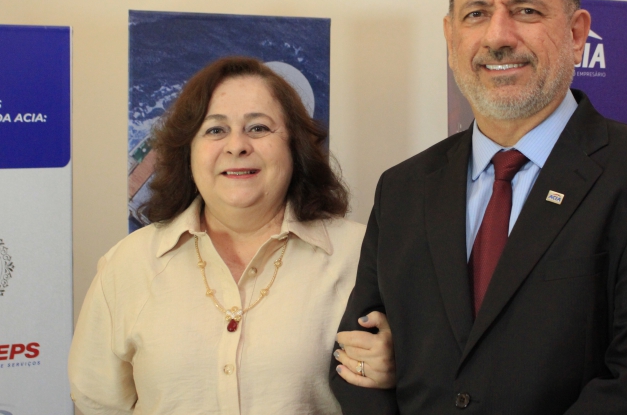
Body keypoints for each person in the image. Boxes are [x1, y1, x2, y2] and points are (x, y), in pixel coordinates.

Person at [331, 0, 627, 414]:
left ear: (577, 34)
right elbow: (355, 360)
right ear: (451, 37)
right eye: (476, 14)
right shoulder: (403, 189)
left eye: (526, 11)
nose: (498, 36)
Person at [69, 57, 395, 415]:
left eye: (258, 128)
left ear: (295, 146)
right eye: (215, 130)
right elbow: (97, 403)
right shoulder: (128, 264)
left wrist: (398, 370)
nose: (236, 145)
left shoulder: (363, 255)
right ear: (188, 151)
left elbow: (426, 383)